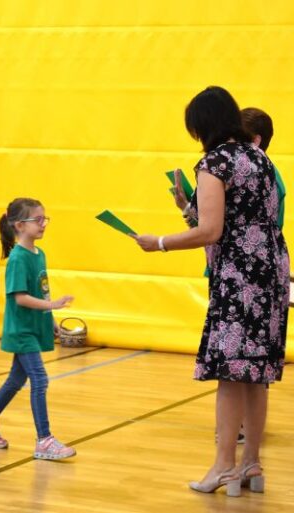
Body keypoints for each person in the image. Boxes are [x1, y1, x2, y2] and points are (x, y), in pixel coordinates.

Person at [134, 86, 289, 496]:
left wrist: (160, 242)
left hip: (239, 277)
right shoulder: (260, 158)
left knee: (230, 372)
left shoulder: (214, 162)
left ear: (203, 126)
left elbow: (210, 231)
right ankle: (251, 463)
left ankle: (223, 466)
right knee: (256, 373)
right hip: (272, 271)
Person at [0, 197, 76, 460]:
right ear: (19, 225)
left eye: (44, 219)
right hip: (21, 329)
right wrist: (52, 304)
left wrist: (50, 317)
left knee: (16, 379)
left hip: (34, 325)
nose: (43, 224)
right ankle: (44, 440)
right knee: (39, 379)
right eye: (37, 220)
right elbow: (20, 298)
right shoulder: (17, 258)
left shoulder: (39, 254)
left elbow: (41, 290)